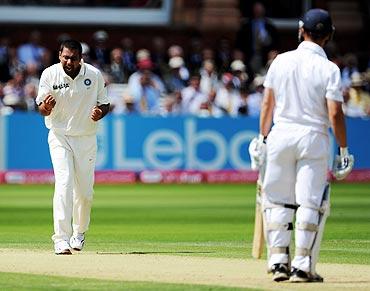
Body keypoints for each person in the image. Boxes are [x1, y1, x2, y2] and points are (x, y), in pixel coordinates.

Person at [249, 9, 354, 283]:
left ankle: (278, 261)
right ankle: (302, 266)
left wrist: (261, 138)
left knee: (277, 199)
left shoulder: (280, 61)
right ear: (329, 35)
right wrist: (343, 149)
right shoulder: (330, 68)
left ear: (300, 30)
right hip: (313, 137)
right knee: (310, 201)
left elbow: (267, 105)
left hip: (281, 135)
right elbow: (334, 114)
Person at [36, 39, 110, 255]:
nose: (69, 61)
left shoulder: (94, 75)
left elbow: (104, 103)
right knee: (64, 183)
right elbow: (41, 107)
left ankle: (79, 233)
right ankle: (60, 238)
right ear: (59, 55)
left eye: (73, 58)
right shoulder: (50, 74)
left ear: (81, 57)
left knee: (85, 192)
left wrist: (100, 112)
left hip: (86, 137)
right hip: (60, 136)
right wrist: (46, 108)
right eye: (65, 57)